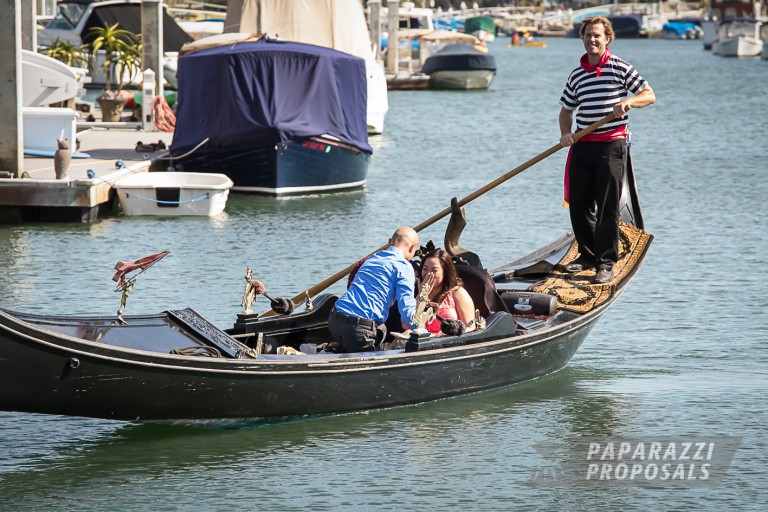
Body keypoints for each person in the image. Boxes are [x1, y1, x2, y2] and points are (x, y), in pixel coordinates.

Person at [558, 16, 655, 284]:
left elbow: (649, 95)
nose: (592, 40)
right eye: (588, 35)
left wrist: (629, 102)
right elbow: (566, 109)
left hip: (611, 144)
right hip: (583, 145)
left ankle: (605, 262)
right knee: (578, 205)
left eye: (597, 36)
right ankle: (587, 255)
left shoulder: (620, 67)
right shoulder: (577, 74)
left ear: (607, 39)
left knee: (607, 207)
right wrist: (565, 133)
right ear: (583, 38)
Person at [329, 227, 421, 352]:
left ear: (389, 242)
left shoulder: (373, 258)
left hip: (334, 320)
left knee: (381, 327)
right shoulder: (404, 267)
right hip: (357, 330)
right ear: (412, 247)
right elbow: (407, 314)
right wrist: (424, 330)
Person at [418, 248, 476, 335]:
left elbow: (470, 326)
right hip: (422, 340)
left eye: (434, 270)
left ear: (445, 272)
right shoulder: (418, 292)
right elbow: (407, 325)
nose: (428, 274)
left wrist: (445, 334)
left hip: (447, 342)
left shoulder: (458, 293)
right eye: (425, 269)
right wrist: (421, 295)